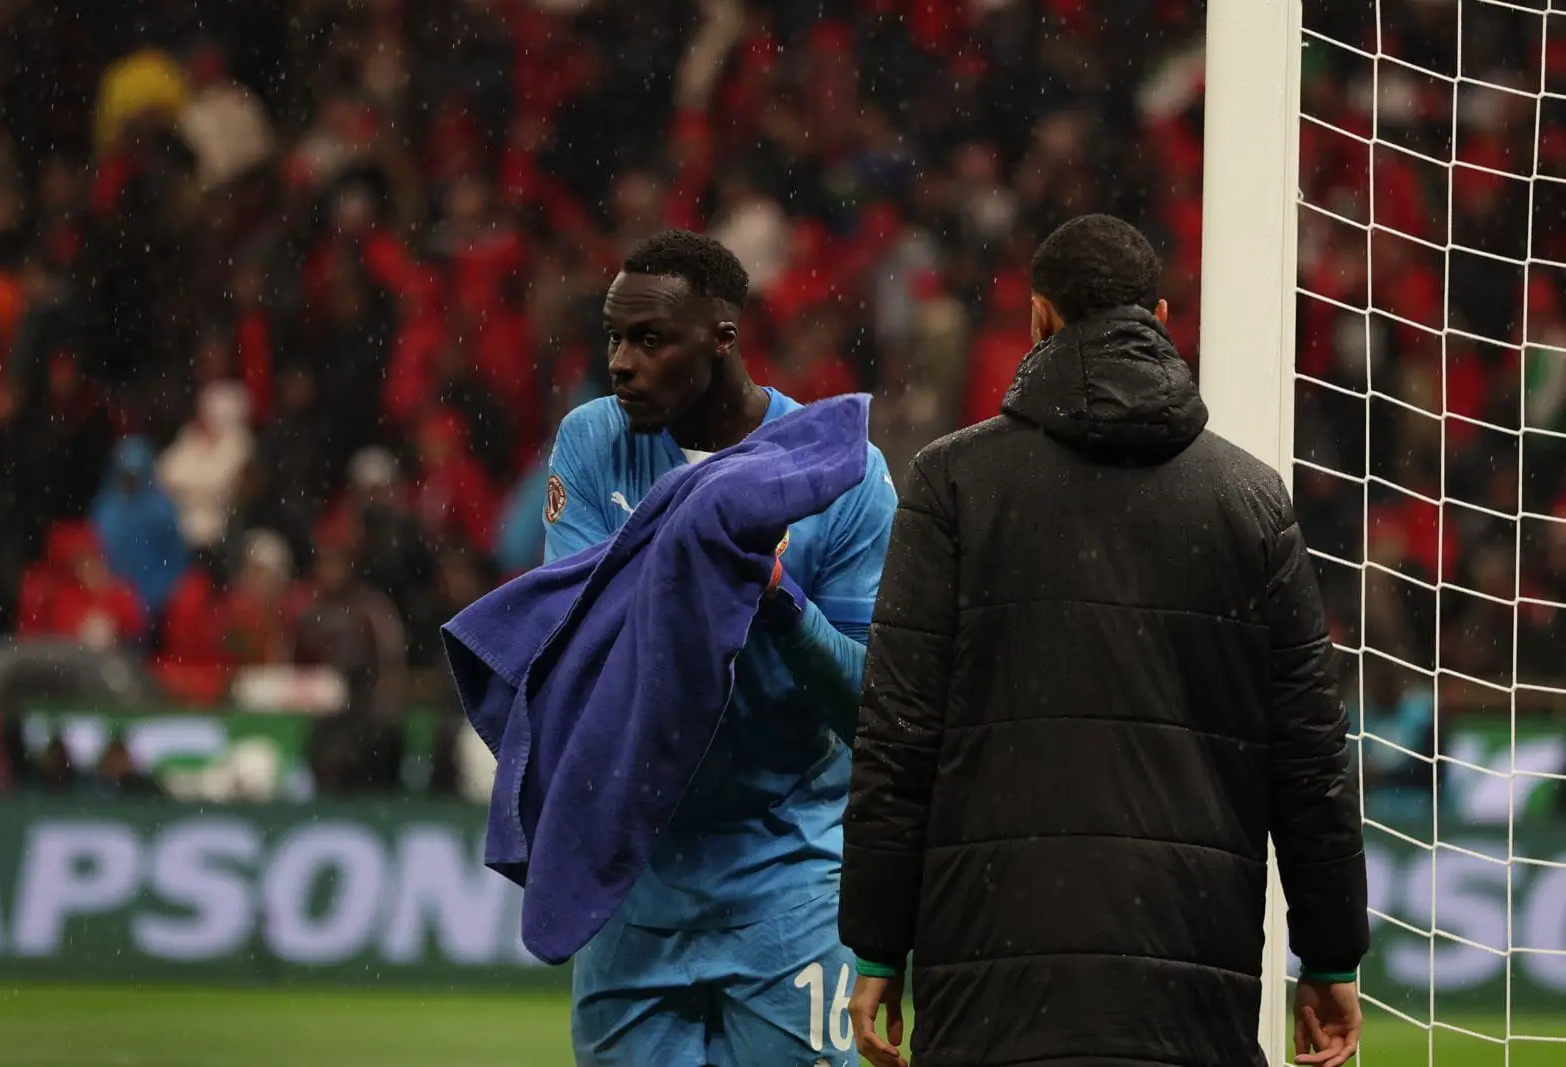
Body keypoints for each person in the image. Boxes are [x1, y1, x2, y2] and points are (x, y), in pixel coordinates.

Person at [838, 215, 1369, 1067]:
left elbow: (897, 732)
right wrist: (1331, 951)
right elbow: (1310, 756)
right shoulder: (1249, 499)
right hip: (1189, 977)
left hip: (990, 976)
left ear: (1039, 318)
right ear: (1159, 317)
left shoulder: (953, 482)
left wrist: (874, 945)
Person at [546, 229, 897, 1066]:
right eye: (614, 337)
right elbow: (574, 647)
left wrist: (781, 602)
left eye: (650, 339)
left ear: (724, 339)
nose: (622, 362)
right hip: (634, 871)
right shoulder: (593, 441)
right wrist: (702, 570)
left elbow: (870, 707)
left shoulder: (842, 472)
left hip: (789, 873)